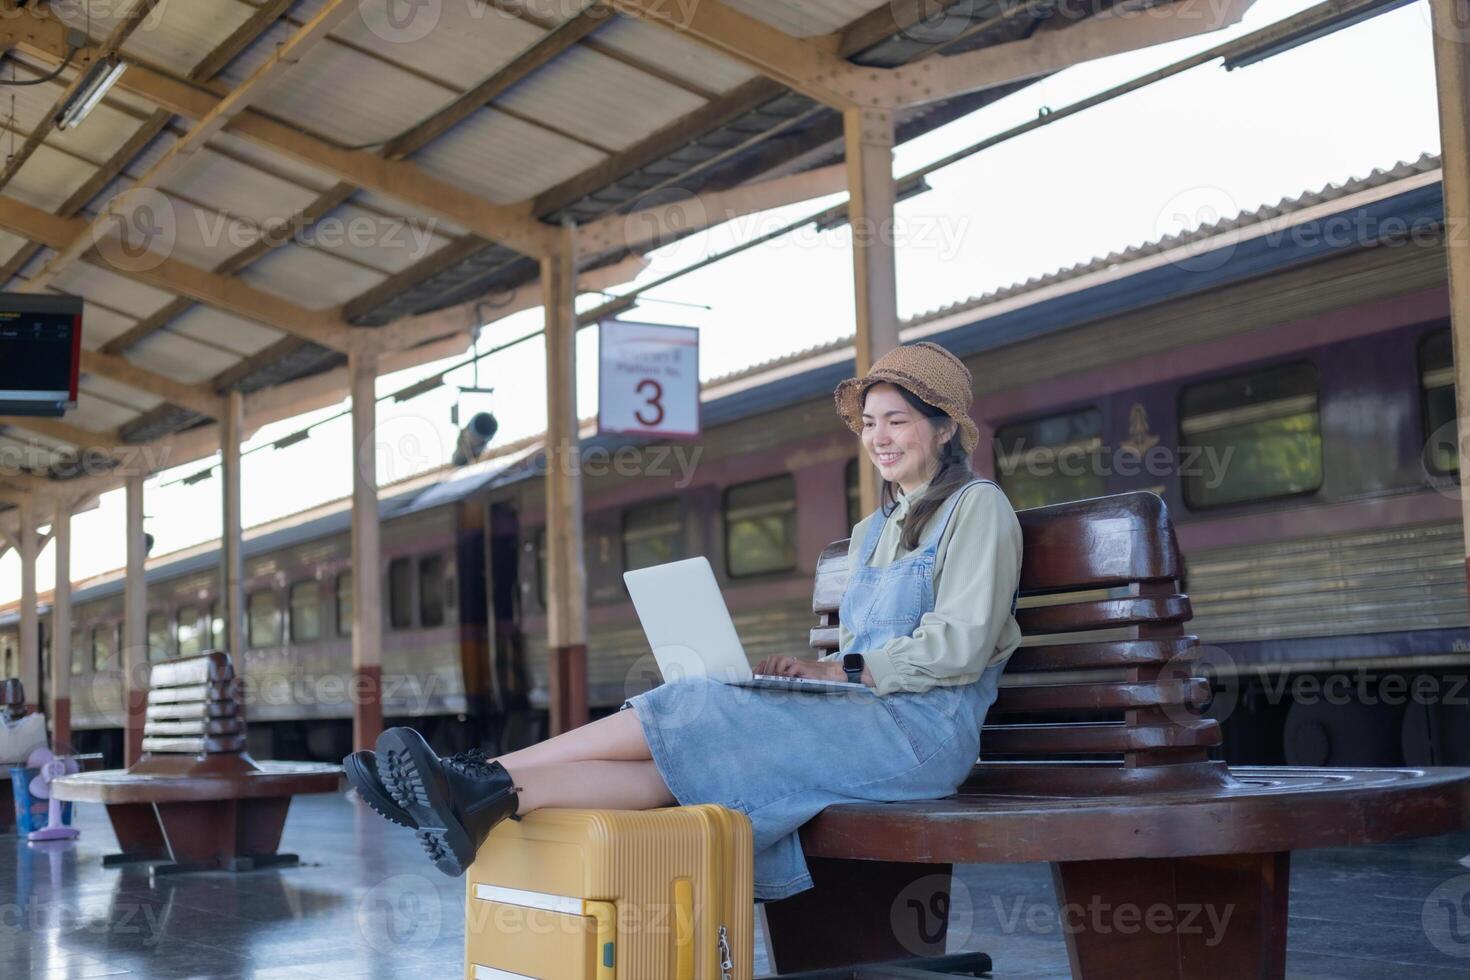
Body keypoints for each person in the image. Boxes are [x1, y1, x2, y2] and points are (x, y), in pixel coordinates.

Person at [345, 341, 1023, 900]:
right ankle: (488, 793)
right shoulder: (874, 529)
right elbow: (862, 651)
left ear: (943, 428)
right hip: (865, 721)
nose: (878, 436)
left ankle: (466, 774)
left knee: (691, 704)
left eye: (897, 420)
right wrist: (808, 676)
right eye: (869, 422)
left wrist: (834, 670)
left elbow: (960, 646)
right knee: (671, 771)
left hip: (923, 737)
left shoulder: (977, 508)